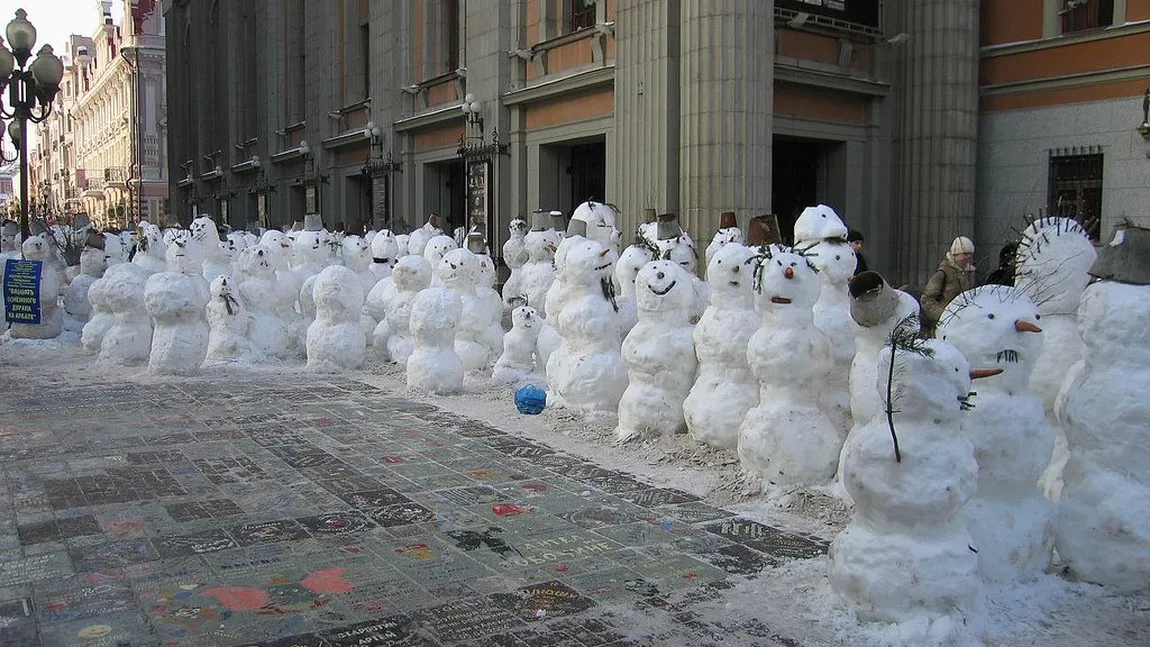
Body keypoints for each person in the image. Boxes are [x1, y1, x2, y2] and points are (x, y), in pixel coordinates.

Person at [921, 236, 976, 332]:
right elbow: (926, 299)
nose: (968, 257)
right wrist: (944, 316)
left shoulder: (970, 272)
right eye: (965, 254)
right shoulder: (943, 273)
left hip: (964, 323)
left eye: (970, 254)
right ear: (956, 254)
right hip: (944, 325)